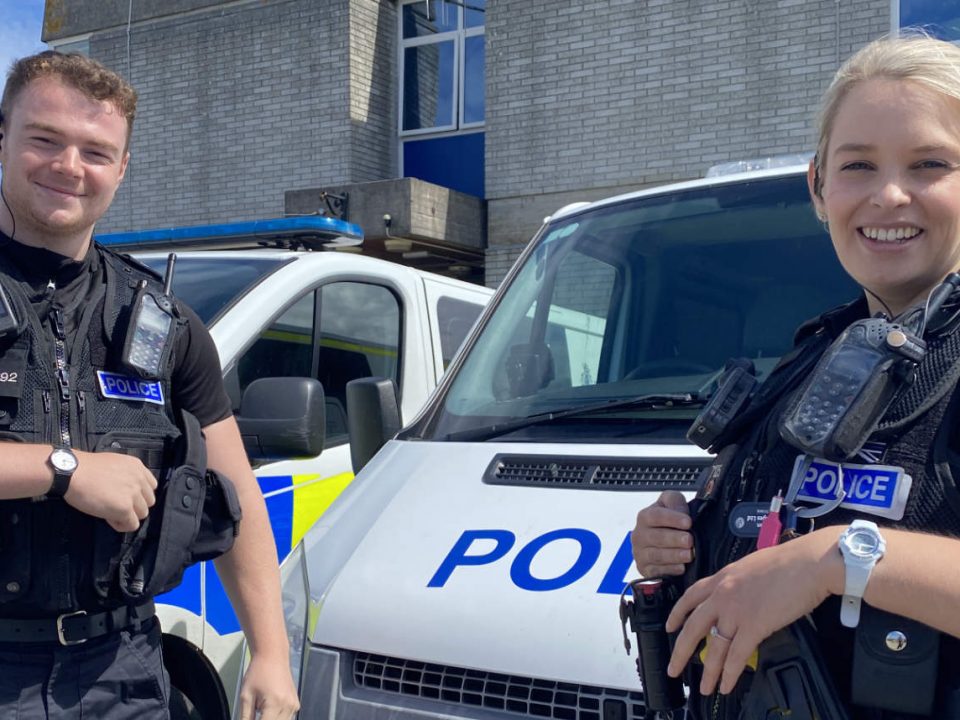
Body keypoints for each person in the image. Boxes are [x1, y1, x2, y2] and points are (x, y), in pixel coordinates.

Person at [631, 33, 960, 719]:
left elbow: (816, 556)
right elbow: (772, 523)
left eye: (929, 163)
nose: (890, 195)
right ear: (819, 186)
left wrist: (835, 560)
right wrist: (685, 536)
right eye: (858, 166)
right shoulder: (814, 357)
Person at [0, 51, 299, 719]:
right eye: (45, 139)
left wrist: (271, 655)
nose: (69, 166)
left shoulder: (162, 324)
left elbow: (235, 492)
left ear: (123, 168)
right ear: (3, 137)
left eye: (96, 151)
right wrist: (62, 468)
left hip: (123, 671)